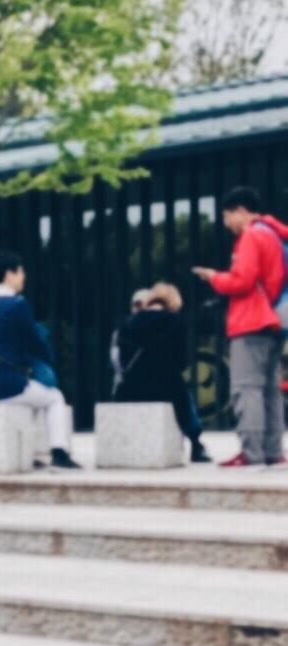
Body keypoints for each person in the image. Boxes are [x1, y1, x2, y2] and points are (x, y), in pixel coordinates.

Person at [193, 186, 287, 468]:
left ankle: (251, 452)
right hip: (274, 322)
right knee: (269, 390)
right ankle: (273, 451)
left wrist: (213, 277)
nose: (226, 224)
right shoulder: (273, 234)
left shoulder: (252, 236)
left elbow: (242, 281)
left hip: (252, 321)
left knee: (246, 388)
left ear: (242, 211)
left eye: (227, 216)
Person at [0, 250, 80, 469]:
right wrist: (49, 361)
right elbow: (34, 342)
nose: (23, 277)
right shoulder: (16, 304)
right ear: (9, 274)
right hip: (8, 386)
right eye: (20, 272)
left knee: (32, 400)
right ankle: (59, 453)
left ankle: (23, 454)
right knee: (54, 397)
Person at [114, 282, 211, 463]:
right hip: (166, 385)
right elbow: (182, 361)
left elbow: (120, 358)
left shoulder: (128, 323)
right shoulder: (175, 322)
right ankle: (196, 444)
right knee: (184, 397)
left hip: (132, 387)